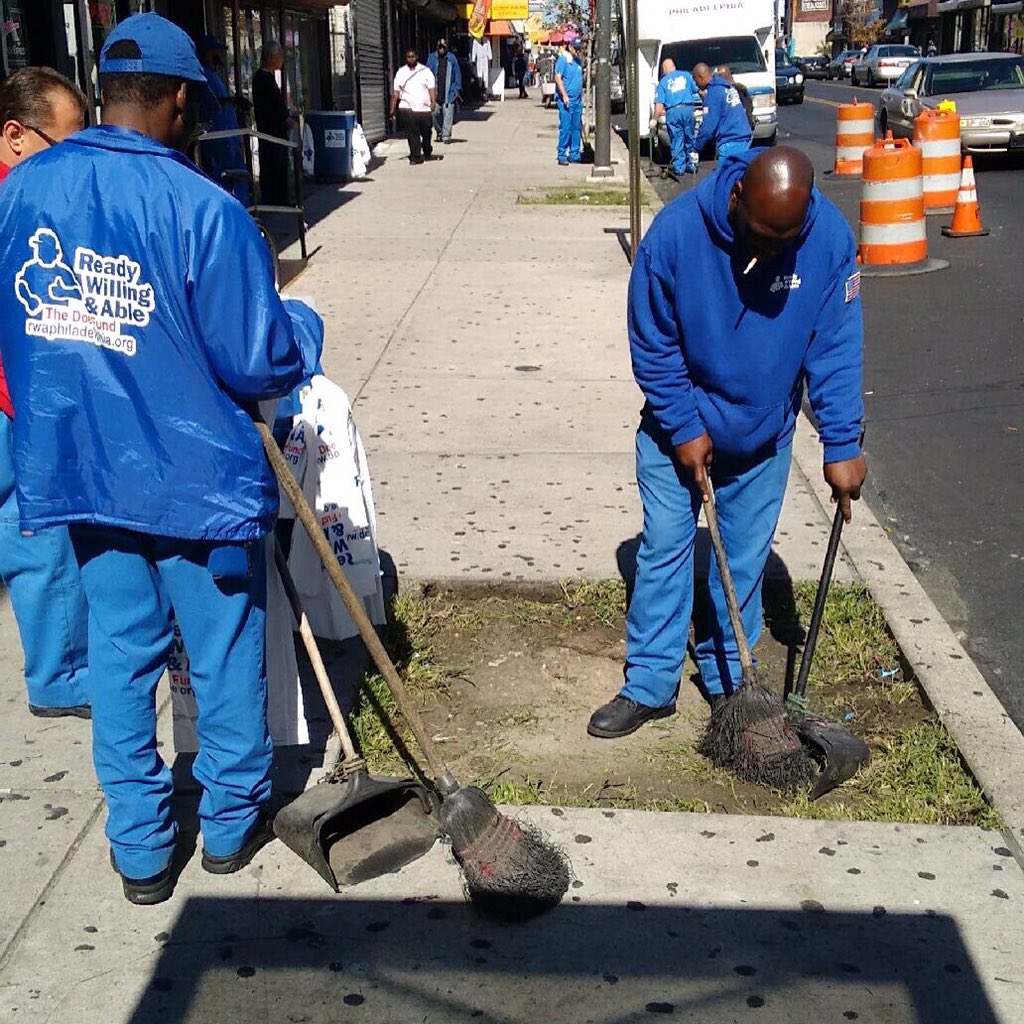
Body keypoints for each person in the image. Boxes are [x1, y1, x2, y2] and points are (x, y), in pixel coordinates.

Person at [0, 13, 322, 904]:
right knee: (220, 657)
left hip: (86, 476)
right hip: (197, 485)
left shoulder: (23, 193)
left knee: (119, 658)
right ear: (178, 99)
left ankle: (140, 847)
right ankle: (226, 825)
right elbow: (256, 357)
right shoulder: (203, 208)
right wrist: (304, 330)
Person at [587, 147, 866, 739]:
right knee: (665, 547)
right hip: (676, 430)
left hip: (764, 436)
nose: (768, 254)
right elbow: (653, 343)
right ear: (737, 196)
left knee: (739, 563)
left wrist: (841, 443)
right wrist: (685, 428)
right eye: (760, 237)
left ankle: (729, 682)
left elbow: (835, 348)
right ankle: (650, 685)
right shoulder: (677, 235)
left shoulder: (830, 242)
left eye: (782, 243)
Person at [0, 67, 91, 720]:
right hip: (16, 402)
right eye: (65, 147)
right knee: (43, 538)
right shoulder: (16, 207)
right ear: (15, 137)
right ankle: (61, 677)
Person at [196, 34, 249, 203]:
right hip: (219, 138)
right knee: (224, 178)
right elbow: (208, 103)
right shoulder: (203, 75)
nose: (220, 55)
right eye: (217, 51)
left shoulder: (213, 75)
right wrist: (233, 100)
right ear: (208, 53)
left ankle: (241, 208)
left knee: (237, 176)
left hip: (228, 136)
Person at [252, 41, 293, 205]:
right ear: (272, 58)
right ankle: (275, 199)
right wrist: (286, 119)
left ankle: (279, 197)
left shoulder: (267, 78)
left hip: (275, 133)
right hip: (271, 133)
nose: (282, 60)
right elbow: (273, 107)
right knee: (273, 165)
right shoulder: (263, 79)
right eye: (280, 56)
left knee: (278, 165)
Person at [692, 62, 752, 164]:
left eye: (695, 80)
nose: (695, 84)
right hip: (743, 136)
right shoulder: (726, 86)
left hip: (731, 140)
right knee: (740, 174)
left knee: (725, 177)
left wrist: (695, 147)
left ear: (700, 77)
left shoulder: (714, 92)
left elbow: (708, 127)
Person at [653, 58, 700, 177]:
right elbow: (697, 90)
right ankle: (692, 164)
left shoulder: (663, 82)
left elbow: (659, 104)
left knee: (677, 139)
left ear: (664, 70)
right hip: (687, 109)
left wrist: (654, 119)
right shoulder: (686, 75)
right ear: (674, 66)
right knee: (690, 137)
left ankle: (679, 168)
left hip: (673, 112)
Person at [391, 48, 437, 165]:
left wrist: (433, 101)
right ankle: (415, 156)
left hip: (424, 109)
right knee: (412, 133)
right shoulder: (401, 72)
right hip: (406, 107)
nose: (411, 59)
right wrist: (393, 107)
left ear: (417, 57)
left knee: (426, 132)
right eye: (408, 57)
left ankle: (427, 148)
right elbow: (396, 92)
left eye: (413, 56)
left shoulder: (425, 71)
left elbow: (431, 88)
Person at [555, 34, 584, 166]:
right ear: (570, 46)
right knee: (566, 128)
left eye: (579, 48)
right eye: (576, 48)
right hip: (567, 100)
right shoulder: (563, 59)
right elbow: (558, 77)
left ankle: (574, 154)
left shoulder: (577, 61)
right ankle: (562, 154)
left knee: (576, 128)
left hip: (577, 100)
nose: (578, 51)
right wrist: (564, 95)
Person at [427, 38, 461, 145]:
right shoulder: (432, 58)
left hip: (448, 93)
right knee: (434, 113)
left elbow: (457, 75)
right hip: (435, 93)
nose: (441, 49)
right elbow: (426, 75)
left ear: (446, 48)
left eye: (443, 48)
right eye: (440, 47)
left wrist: (456, 90)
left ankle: (446, 136)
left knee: (448, 115)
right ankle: (439, 131)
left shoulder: (452, 58)